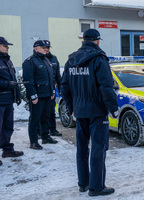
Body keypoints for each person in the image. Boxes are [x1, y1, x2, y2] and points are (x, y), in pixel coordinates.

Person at [61, 29, 118, 196]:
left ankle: (83, 183)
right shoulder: (99, 59)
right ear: (98, 41)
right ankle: (96, 187)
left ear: (83, 41)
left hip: (79, 111)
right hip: (97, 111)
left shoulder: (71, 60)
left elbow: (64, 86)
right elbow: (106, 86)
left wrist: (71, 106)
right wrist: (113, 108)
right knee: (98, 148)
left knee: (82, 148)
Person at [23, 40, 58, 150]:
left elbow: (51, 78)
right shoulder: (30, 61)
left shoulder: (46, 60)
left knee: (46, 117)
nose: (46, 49)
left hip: (47, 95)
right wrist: (33, 95)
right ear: (36, 48)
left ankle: (45, 136)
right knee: (35, 119)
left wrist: (52, 91)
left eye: (47, 47)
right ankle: (33, 142)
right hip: (37, 96)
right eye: (43, 48)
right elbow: (28, 81)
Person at [0, 36, 24, 162]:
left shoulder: (7, 61)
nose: (7, 48)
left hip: (8, 99)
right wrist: (8, 84)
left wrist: (18, 94)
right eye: (5, 46)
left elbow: (14, 80)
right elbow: (9, 82)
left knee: (8, 126)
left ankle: (7, 150)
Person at [44, 40, 62, 137]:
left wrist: (60, 85)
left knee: (51, 111)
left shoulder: (54, 59)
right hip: (42, 90)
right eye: (45, 47)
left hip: (52, 89)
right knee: (41, 112)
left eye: (48, 47)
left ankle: (53, 129)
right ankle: (40, 131)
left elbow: (58, 75)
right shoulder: (38, 59)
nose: (46, 49)